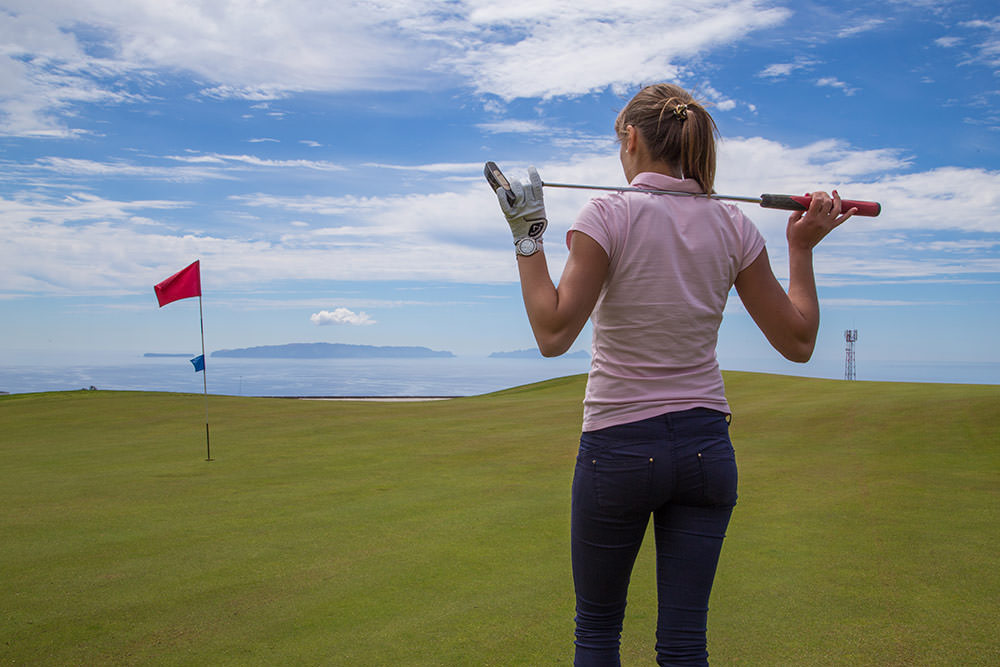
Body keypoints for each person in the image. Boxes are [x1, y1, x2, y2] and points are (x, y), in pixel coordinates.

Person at [492, 82, 855, 666]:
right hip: (706, 451)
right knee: (685, 646)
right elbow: (800, 342)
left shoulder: (607, 213)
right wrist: (803, 247)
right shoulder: (734, 225)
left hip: (619, 447)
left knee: (598, 632)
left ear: (631, 139)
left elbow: (553, 333)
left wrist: (527, 236)